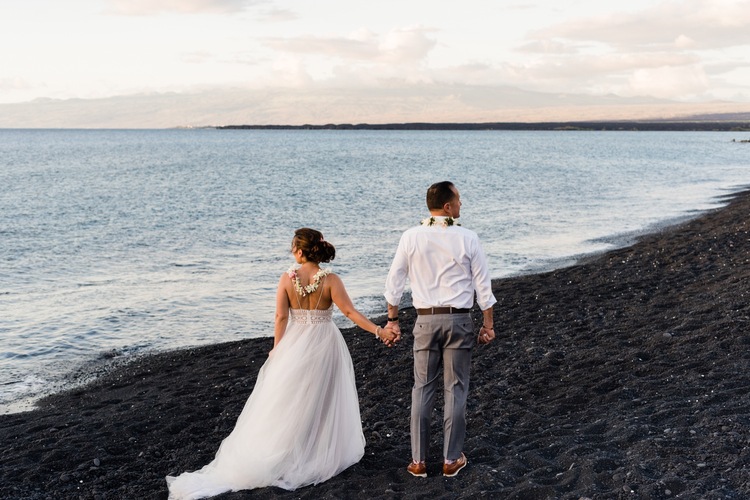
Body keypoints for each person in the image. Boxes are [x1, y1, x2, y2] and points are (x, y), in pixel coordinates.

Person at [167, 228, 397, 499]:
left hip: (296, 343)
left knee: (291, 399)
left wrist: (278, 349)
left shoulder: (288, 279)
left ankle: (290, 450)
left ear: (300, 252)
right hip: (325, 341)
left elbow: (280, 317)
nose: (291, 251)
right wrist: (379, 331)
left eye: (293, 247)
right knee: (322, 398)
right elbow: (349, 313)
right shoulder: (331, 280)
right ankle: (315, 451)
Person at [384, 181, 497, 478]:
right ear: (446, 206)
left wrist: (393, 320)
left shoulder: (410, 237)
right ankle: (450, 459)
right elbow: (482, 285)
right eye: (458, 200)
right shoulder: (468, 238)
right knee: (456, 388)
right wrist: (488, 323)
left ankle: (419, 461)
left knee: (422, 388)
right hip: (459, 320)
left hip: (425, 320)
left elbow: (394, 281)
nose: (461, 204)